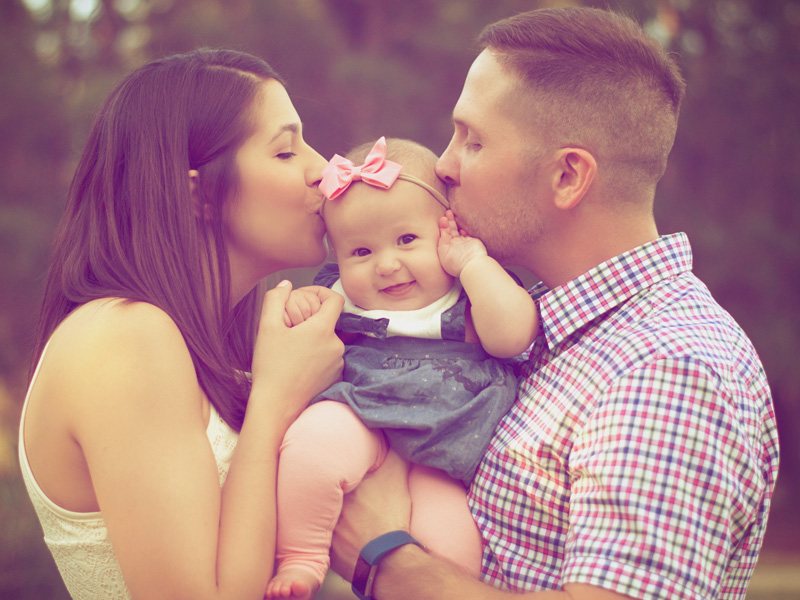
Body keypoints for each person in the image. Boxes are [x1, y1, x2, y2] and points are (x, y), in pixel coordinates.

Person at [329, 7, 780, 600]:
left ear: (568, 176)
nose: (443, 164)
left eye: (474, 140)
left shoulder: (670, 368)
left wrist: (384, 557)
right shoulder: (535, 323)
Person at [17, 49, 345, 599]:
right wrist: (274, 399)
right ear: (199, 194)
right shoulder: (123, 337)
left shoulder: (218, 345)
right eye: (286, 151)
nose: (324, 169)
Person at [265, 136, 539, 599]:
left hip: (446, 452)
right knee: (309, 448)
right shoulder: (340, 296)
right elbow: (305, 339)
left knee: (451, 556)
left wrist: (472, 261)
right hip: (362, 413)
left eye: (407, 240)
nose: (387, 265)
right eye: (360, 252)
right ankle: (301, 557)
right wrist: (303, 307)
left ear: (448, 230)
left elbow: (514, 335)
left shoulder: (470, 287)